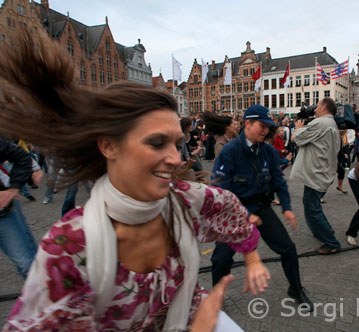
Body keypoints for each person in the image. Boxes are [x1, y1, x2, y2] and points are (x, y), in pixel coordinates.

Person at [0, 30, 270, 331]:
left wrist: (253, 257)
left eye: (175, 143)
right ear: (109, 146)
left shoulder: (184, 199)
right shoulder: (71, 248)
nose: (176, 158)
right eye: (156, 143)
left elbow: (229, 209)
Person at [211, 104, 313, 310]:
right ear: (247, 123)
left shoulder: (268, 151)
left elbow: (279, 182)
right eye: (262, 126)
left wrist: (286, 207)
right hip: (234, 213)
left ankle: (295, 288)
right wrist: (243, 215)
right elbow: (220, 193)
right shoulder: (229, 152)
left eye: (269, 127)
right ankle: (216, 299)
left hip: (261, 208)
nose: (266, 131)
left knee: (289, 249)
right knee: (220, 260)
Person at [290, 97, 342, 254]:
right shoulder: (331, 123)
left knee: (312, 208)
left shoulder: (321, 123)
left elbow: (296, 139)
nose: (315, 109)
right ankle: (326, 230)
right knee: (313, 205)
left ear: (324, 106)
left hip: (316, 172)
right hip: (323, 170)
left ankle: (331, 243)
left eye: (318, 106)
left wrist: (298, 127)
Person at [0, 138, 39, 278]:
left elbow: (21, 156)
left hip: (2, 217)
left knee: (27, 265)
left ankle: (44, 295)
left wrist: (14, 188)